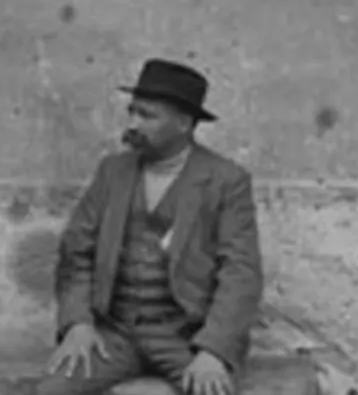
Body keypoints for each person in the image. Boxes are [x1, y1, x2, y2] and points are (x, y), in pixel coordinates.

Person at [37, 59, 264, 395]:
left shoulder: (226, 181)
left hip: (186, 337)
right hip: (115, 333)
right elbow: (76, 254)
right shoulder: (112, 172)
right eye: (132, 112)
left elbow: (240, 272)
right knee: (53, 391)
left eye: (148, 116)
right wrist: (78, 323)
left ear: (184, 122)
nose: (133, 123)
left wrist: (214, 350)